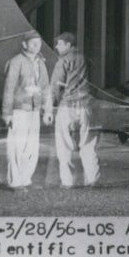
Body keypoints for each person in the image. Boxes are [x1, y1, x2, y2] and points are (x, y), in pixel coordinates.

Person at [2, 30, 52, 191]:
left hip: (34, 110)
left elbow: (45, 88)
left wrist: (48, 110)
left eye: (39, 43)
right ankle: (15, 182)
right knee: (17, 147)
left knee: (32, 147)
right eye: (33, 43)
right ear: (24, 45)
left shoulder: (41, 63)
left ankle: (25, 178)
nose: (37, 46)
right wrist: (7, 113)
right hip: (19, 110)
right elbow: (8, 89)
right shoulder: (16, 62)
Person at [50, 32, 100, 188]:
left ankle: (68, 182)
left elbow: (55, 86)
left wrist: (51, 106)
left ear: (67, 44)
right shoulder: (86, 59)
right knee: (88, 143)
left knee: (64, 145)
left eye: (59, 43)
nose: (57, 46)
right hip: (86, 105)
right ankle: (92, 180)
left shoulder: (63, 60)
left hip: (68, 106)